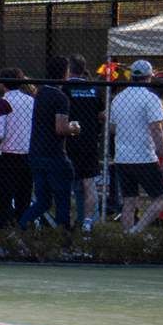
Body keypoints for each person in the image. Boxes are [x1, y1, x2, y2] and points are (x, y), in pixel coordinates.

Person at [109, 59, 163, 232]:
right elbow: (156, 129)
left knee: (129, 201)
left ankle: (126, 237)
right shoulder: (151, 98)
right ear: (149, 76)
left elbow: (112, 128)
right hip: (144, 157)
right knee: (162, 197)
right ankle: (135, 232)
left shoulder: (119, 98)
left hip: (122, 157)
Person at [20, 56, 81, 228]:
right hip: (54, 154)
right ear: (64, 73)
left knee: (43, 201)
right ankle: (63, 233)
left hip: (36, 152)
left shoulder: (40, 93)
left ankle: (21, 226)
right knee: (62, 199)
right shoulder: (60, 97)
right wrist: (74, 128)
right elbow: (60, 128)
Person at [64, 56, 105, 229]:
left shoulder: (65, 88)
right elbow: (102, 115)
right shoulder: (94, 89)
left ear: (69, 69)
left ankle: (66, 220)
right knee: (88, 183)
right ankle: (88, 221)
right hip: (89, 141)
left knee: (66, 182)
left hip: (69, 141)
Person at [0, 70, 36, 223]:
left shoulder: (3, 102)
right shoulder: (30, 100)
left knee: (4, 196)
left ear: (2, 84)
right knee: (24, 195)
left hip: (9, 154)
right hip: (27, 154)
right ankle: (23, 224)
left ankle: (4, 225)